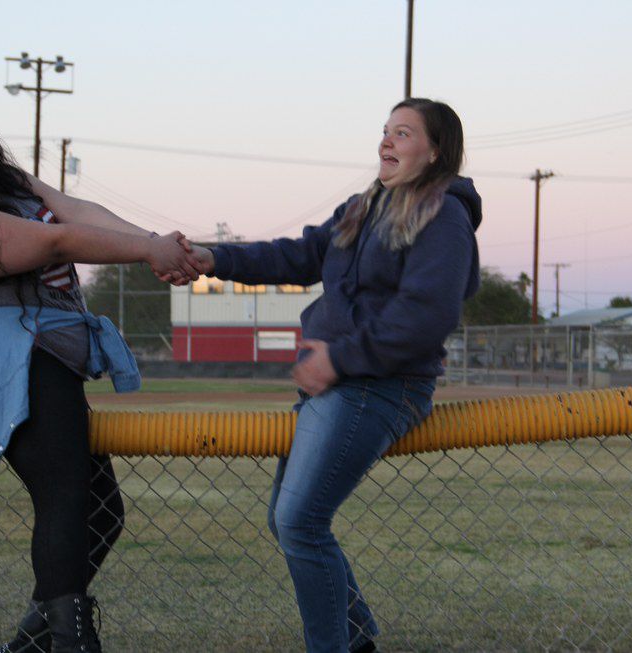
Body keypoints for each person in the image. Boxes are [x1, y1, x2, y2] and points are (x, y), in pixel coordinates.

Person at [0, 98, 201, 653]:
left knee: (100, 512)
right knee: (67, 500)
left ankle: (29, 646)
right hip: (14, 362)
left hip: (47, 355)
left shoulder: (8, 184)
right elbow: (57, 240)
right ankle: (73, 643)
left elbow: (75, 211)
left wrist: (157, 244)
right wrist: (150, 251)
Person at [186, 98, 482, 652]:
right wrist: (214, 259)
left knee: (299, 522)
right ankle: (357, 636)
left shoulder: (444, 214)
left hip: (381, 386)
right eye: (385, 131)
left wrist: (340, 359)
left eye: (403, 133)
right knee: (287, 520)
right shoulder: (363, 207)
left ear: (436, 151)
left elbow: (427, 313)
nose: (386, 141)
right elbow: (299, 256)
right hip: (340, 384)